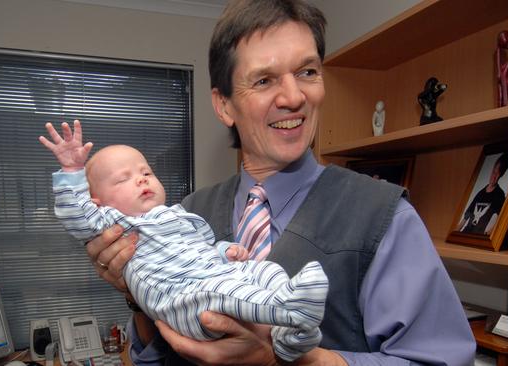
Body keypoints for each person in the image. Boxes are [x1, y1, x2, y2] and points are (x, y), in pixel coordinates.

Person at [84, 0, 476, 365]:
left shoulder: (386, 218)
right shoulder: (186, 215)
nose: (294, 97)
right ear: (223, 106)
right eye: (264, 80)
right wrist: (134, 296)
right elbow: (153, 357)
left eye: (307, 72)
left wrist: (288, 359)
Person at [39, 120, 329, 361]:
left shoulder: (179, 215)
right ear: (99, 204)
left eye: (146, 172)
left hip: (209, 276)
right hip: (180, 300)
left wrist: (225, 251)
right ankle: (290, 310)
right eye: (122, 179)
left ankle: (290, 334)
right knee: (221, 291)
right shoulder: (113, 223)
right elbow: (75, 213)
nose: (141, 179)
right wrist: (71, 171)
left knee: (264, 270)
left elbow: (200, 250)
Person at [459, 152, 508, 235]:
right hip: (466, 234)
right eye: (494, 172)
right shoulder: (480, 193)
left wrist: (487, 235)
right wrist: (454, 233)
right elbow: (465, 219)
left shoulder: (499, 195)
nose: (494, 176)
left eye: (498, 174)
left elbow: (500, 221)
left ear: (501, 175)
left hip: (479, 237)